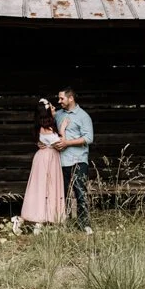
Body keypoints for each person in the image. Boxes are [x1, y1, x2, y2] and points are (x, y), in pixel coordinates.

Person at [12, 98, 66, 235]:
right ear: (47, 112)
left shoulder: (43, 127)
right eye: (52, 108)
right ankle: (27, 220)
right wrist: (63, 130)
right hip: (47, 159)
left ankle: (40, 221)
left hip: (45, 157)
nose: (55, 109)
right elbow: (60, 145)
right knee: (43, 188)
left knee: (45, 189)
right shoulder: (47, 129)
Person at [53, 87, 94, 235]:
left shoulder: (83, 116)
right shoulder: (57, 115)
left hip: (78, 160)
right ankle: (63, 222)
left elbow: (89, 138)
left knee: (80, 193)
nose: (59, 101)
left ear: (71, 98)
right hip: (60, 161)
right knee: (61, 193)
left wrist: (67, 143)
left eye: (61, 98)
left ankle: (84, 224)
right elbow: (45, 125)